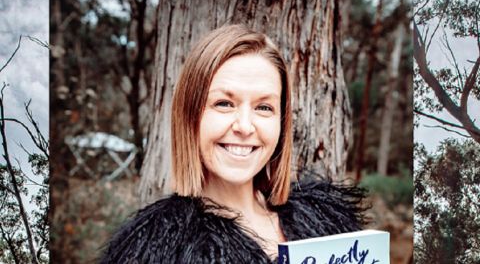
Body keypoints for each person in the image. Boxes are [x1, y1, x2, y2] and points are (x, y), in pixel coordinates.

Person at [100, 24, 365, 264]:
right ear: (190, 116)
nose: (245, 127)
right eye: (224, 104)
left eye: (264, 107)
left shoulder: (328, 223)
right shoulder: (155, 251)